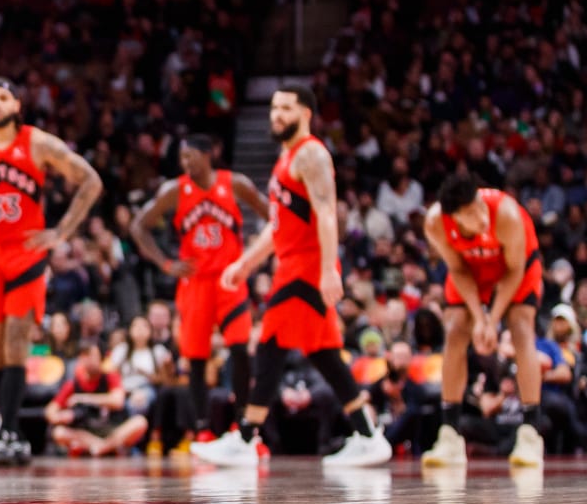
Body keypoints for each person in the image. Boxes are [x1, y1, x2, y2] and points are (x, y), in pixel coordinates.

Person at [191, 86, 389, 468]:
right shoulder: (287, 156)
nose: (276, 115)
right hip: (292, 263)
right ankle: (366, 434)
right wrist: (246, 263)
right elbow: (279, 225)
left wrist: (329, 269)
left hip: (307, 267)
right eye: (273, 108)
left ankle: (246, 437)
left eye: (285, 108)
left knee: (270, 344)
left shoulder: (311, 153)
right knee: (324, 354)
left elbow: (327, 212)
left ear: (306, 113)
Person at [0, 77, 103, 465]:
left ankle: (10, 432)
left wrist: (61, 232)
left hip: (26, 254)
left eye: (3, 98)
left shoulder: (38, 143)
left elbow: (91, 180)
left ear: (16, 105)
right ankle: (3, 430)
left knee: (15, 342)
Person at [129, 134, 269, 432]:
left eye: (190, 156)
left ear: (208, 155)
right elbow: (138, 226)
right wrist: (166, 263)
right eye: (182, 158)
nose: (185, 163)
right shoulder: (174, 190)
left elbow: (274, 216)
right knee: (195, 358)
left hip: (230, 280)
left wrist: (255, 255)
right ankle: (203, 429)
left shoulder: (235, 184)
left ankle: (244, 425)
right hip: (195, 282)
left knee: (240, 348)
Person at [419, 172, 545, 469]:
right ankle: (450, 435)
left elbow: (515, 271)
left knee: (521, 328)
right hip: (471, 269)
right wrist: (478, 317)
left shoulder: (506, 214)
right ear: (454, 217)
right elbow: (458, 270)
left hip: (514, 268)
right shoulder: (436, 223)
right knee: (454, 331)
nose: (481, 216)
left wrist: (492, 320)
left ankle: (531, 433)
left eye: (479, 206)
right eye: (471, 214)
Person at [45, 344, 148, 457]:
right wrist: (62, 416)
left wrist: (84, 398)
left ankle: (102, 447)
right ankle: (106, 447)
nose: (88, 360)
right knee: (59, 432)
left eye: (92, 356)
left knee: (140, 422)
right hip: (86, 433)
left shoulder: (110, 377)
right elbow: (50, 411)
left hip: (112, 429)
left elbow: (118, 401)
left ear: (101, 358)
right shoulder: (73, 384)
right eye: (85, 356)